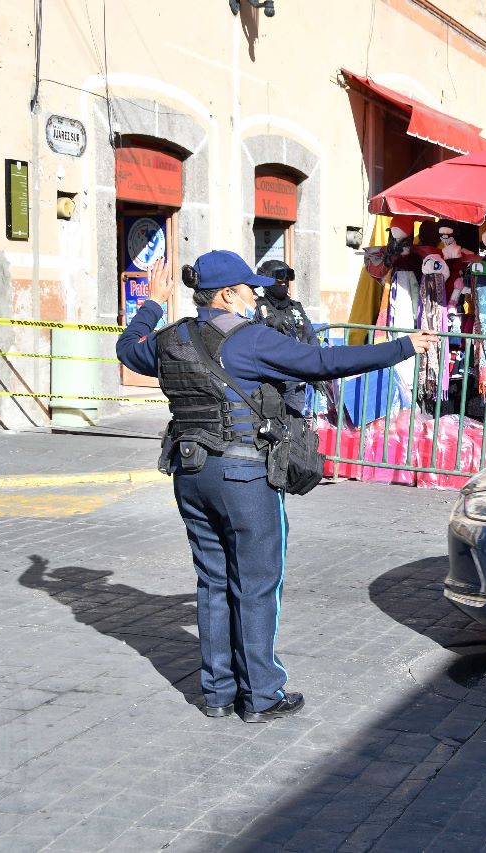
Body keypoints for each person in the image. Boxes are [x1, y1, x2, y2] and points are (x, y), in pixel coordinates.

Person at [116, 250, 435, 722]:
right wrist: (402, 347)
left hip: (190, 474)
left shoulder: (169, 340)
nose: (255, 296)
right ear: (227, 295)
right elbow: (324, 361)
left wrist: (154, 303)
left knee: (213, 582)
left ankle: (218, 693)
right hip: (244, 477)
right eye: (249, 289)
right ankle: (262, 695)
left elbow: (128, 349)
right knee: (256, 585)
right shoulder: (250, 340)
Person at [254, 260, 318, 416]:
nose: (283, 284)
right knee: (271, 420)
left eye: (286, 280)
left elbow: (310, 336)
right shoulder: (258, 307)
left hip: (296, 378)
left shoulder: (296, 308)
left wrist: (317, 366)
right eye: (278, 281)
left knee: (294, 421)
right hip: (270, 379)